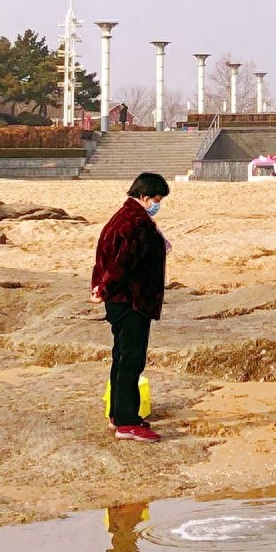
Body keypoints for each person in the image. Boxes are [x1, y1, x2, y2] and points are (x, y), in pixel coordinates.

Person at [91, 171, 170, 443]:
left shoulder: (121, 218)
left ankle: (118, 413)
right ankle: (127, 421)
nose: (158, 204)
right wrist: (105, 288)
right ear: (144, 196)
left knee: (121, 357)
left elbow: (103, 256)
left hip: (118, 299)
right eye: (157, 199)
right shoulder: (137, 223)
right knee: (131, 361)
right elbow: (122, 264)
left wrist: (99, 287)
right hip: (131, 300)